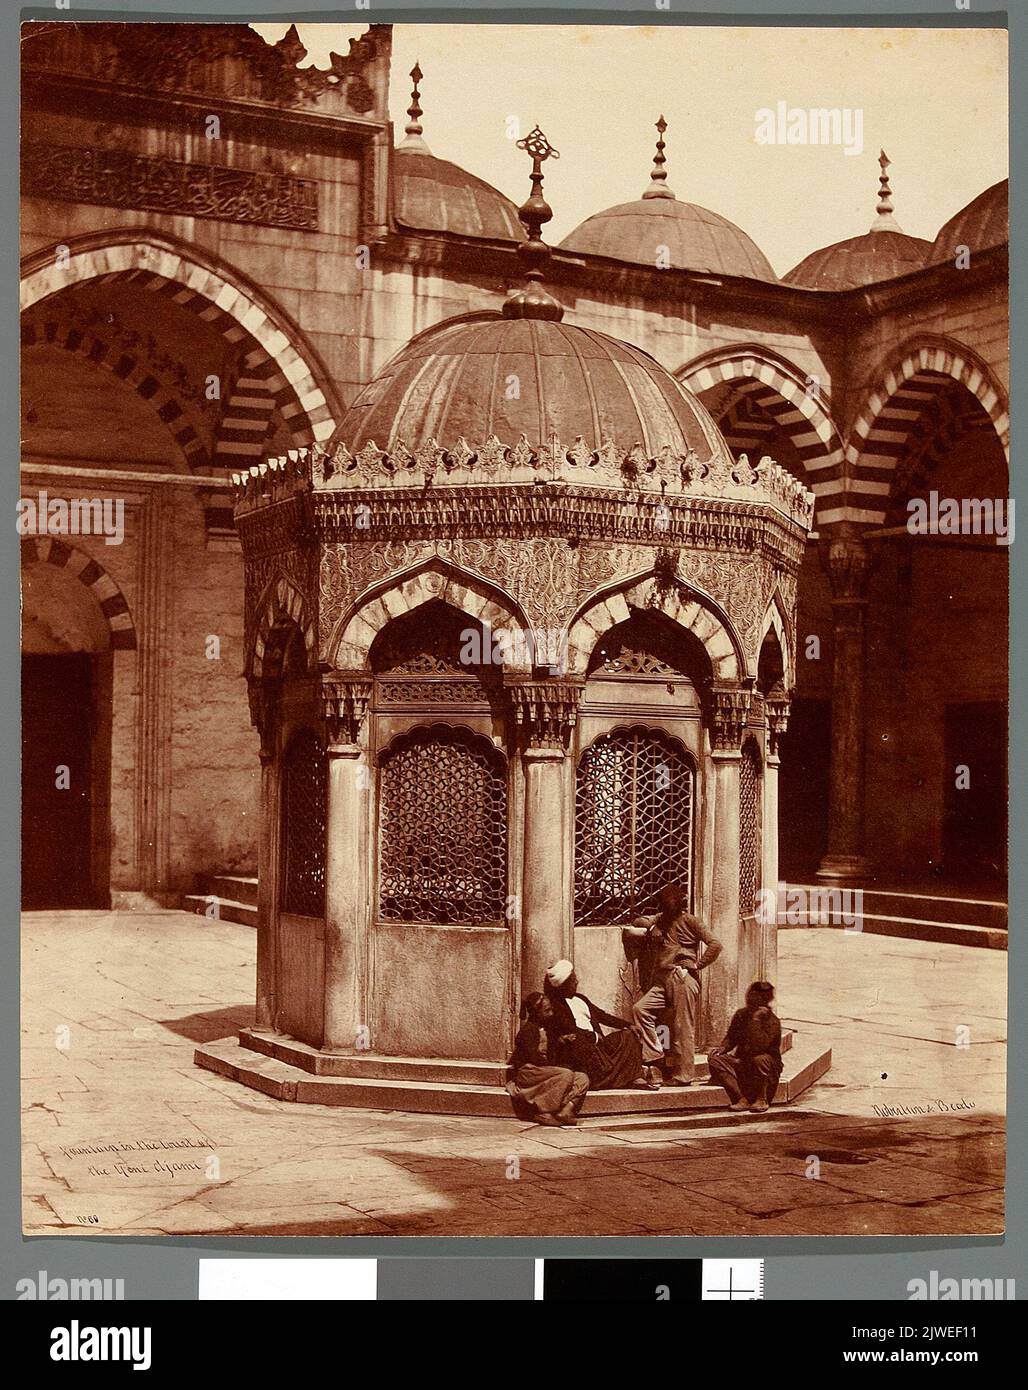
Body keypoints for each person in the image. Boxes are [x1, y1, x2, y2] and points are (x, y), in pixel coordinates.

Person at [621, 884, 722, 1088]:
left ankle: (685, 1075)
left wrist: (697, 965)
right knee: (640, 1010)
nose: (669, 906)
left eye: (672, 902)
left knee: (682, 1027)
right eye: (665, 903)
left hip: (682, 978)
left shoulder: (690, 920)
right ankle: (655, 1056)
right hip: (663, 980)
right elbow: (637, 923)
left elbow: (715, 944)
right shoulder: (660, 920)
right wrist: (651, 928)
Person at [542, 960, 649, 1090]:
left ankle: (633, 1076)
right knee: (580, 1044)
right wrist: (594, 1037)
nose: (577, 982)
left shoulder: (581, 998)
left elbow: (602, 1016)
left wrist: (628, 1024)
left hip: (599, 1046)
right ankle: (603, 1080)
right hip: (582, 1047)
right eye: (573, 980)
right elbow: (570, 1029)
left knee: (629, 1035)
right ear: (564, 984)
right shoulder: (556, 1005)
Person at [506, 993, 589, 1126]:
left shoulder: (548, 1029)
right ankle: (543, 1111)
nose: (551, 1013)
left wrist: (561, 1041)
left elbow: (550, 1051)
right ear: (536, 1013)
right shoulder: (528, 1031)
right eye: (547, 1010)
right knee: (565, 1074)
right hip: (529, 1071)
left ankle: (565, 1110)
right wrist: (558, 1064)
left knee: (582, 1078)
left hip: (544, 1070)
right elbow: (535, 1059)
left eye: (551, 1009)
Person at [707, 980, 783, 1113]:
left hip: (766, 1067)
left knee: (760, 1059)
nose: (751, 999)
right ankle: (741, 1098)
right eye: (751, 995)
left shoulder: (772, 1021)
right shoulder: (741, 1014)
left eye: (758, 996)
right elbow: (731, 1038)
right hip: (744, 1062)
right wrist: (723, 1048)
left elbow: (759, 1047)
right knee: (715, 1059)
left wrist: (756, 1020)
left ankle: (762, 1098)